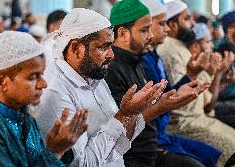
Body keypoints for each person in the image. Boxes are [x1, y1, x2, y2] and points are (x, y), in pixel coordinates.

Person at [36, 8, 166, 166]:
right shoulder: (55, 92)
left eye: (111, 46)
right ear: (76, 48)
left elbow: (120, 145)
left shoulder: (93, 76)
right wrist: (125, 114)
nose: (111, 55)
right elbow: (82, 164)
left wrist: (133, 112)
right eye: (103, 47)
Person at [0, 31, 89, 166]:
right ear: (1, 81)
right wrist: (54, 152)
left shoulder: (20, 111)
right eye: (32, 77)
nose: (43, 84)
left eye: (41, 75)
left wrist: (62, 148)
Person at [106, 0, 208, 167]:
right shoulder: (112, 70)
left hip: (151, 147)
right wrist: (162, 106)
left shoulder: (136, 61)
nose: (151, 35)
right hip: (131, 158)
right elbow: (119, 128)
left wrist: (176, 92)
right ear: (123, 33)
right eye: (145, 30)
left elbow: (150, 106)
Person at [157, 0, 235, 167]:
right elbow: (187, 97)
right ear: (172, 25)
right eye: (187, 19)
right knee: (232, 152)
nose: (192, 22)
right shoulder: (170, 50)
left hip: (198, 117)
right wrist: (213, 73)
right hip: (184, 123)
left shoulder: (179, 47)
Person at [141, 0, 221, 167]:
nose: (167, 29)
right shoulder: (156, 55)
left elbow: (168, 93)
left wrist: (191, 75)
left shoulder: (153, 55)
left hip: (163, 131)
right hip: (165, 131)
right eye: (162, 24)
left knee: (211, 156)